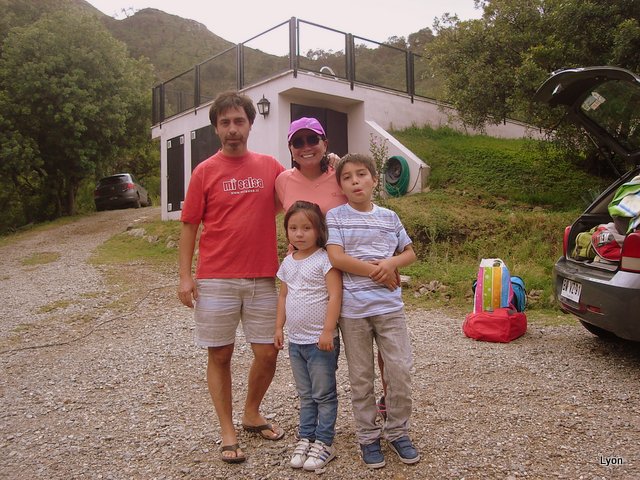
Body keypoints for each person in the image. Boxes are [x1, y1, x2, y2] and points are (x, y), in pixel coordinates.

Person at [177, 90, 286, 464]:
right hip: (216, 277)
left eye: (239, 121)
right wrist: (185, 277)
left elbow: (300, 191)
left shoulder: (270, 167)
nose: (232, 129)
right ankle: (227, 430)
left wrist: (331, 165)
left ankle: (251, 412)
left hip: (262, 277)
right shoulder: (204, 171)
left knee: (267, 353)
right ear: (216, 128)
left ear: (251, 124)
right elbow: (189, 225)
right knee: (220, 354)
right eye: (225, 122)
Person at [276, 117, 388, 417]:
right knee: (323, 347)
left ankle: (389, 398)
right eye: (298, 142)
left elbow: (367, 207)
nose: (306, 147)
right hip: (309, 277)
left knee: (380, 339)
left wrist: (387, 263)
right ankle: (319, 412)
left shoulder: (339, 174)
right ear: (290, 148)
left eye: (312, 139)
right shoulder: (282, 181)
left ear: (325, 143)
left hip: (352, 270)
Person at [325, 153, 420, 469]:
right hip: (353, 311)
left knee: (399, 370)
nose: (355, 181)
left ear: (375, 180)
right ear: (341, 186)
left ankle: (398, 431)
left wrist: (391, 263)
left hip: (390, 308)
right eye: (347, 177)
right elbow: (337, 258)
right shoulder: (336, 217)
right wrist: (376, 271)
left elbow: (409, 253)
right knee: (361, 377)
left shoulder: (389, 217)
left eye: (362, 174)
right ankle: (368, 436)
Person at [274, 201, 343, 471]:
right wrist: (278, 327)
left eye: (306, 228)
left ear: (319, 230)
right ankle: (306, 437)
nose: (299, 234)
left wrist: (327, 330)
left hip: (320, 342)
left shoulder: (325, 259)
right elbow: (283, 296)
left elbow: (335, 295)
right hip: (296, 342)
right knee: (305, 394)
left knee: (324, 394)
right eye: (293, 228)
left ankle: (325, 442)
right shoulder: (287, 262)